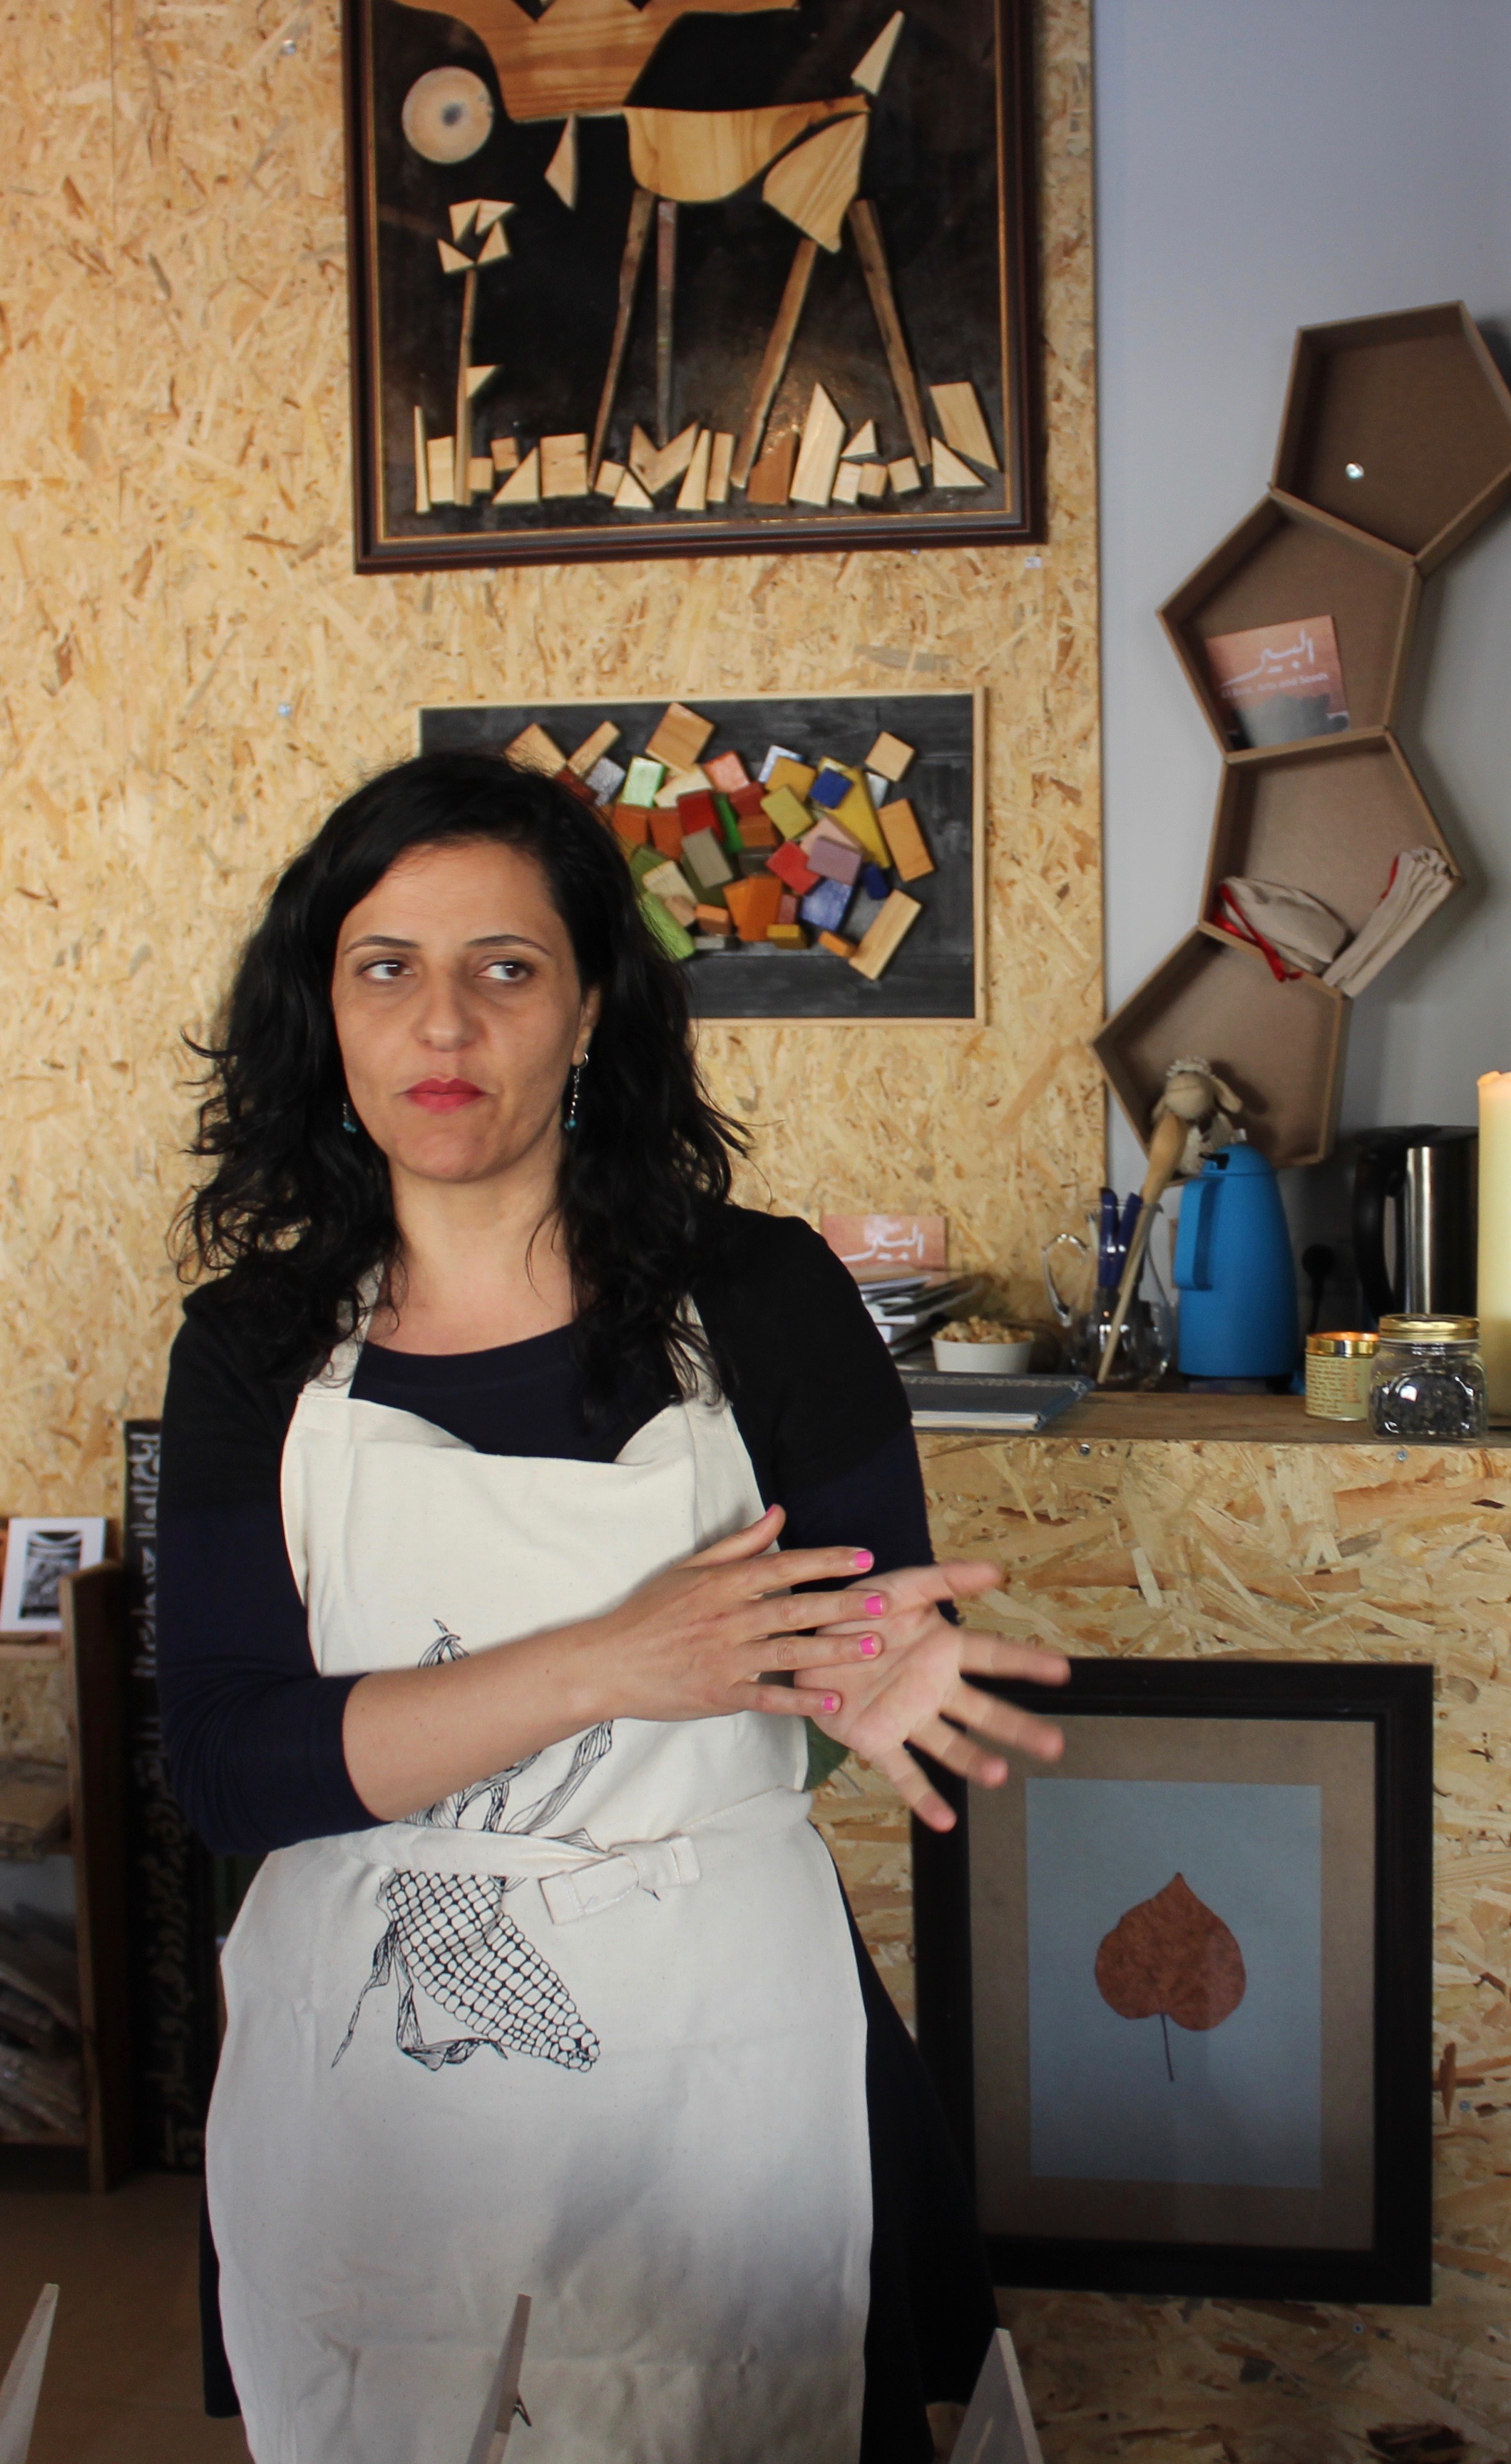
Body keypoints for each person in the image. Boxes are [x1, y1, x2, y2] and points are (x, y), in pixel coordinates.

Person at [157, 750, 1069, 2464]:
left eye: (505, 969)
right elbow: (227, 1767)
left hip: (719, 2048)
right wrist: (607, 1663)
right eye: (386, 968)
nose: (443, 1024)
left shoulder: (762, 1293)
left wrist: (866, 1675)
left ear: (588, 1015)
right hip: (380, 2082)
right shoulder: (253, 1351)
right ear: (324, 1014)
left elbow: (854, 1625)